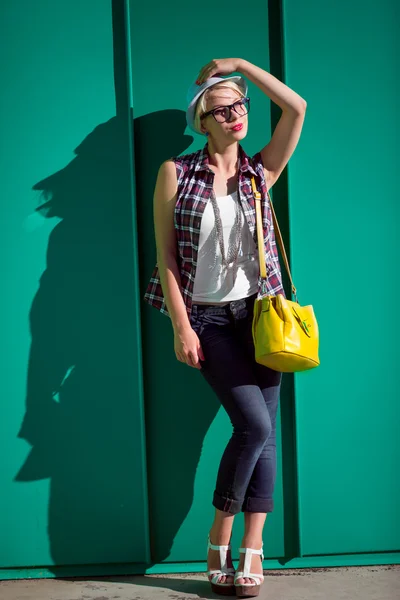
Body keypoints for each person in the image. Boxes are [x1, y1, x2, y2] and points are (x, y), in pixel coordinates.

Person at [143, 58, 306, 598]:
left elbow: (297, 107)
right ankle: (218, 535)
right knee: (254, 428)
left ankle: (252, 552)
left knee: (267, 436)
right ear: (202, 120)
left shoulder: (262, 173)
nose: (236, 115)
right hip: (209, 320)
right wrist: (181, 328)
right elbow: (165, 257)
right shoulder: (176, 172)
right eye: (223, 108)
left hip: (260, 317)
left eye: (240, 106)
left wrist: (239, 66)